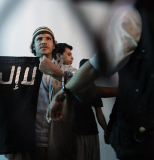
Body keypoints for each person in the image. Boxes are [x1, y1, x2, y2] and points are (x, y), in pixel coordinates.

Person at [47, 0, 154, 159]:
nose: (72, 57)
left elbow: (95, 82)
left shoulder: (131, 15)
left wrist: (107, 127)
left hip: (139, 133)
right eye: (68, 54)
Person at [6, 27, 75, 160]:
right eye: (39, 39)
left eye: (48, 39)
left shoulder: (65, 69)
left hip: (55, 136)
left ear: (54, 45)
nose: (44, 42)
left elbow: (81, 84)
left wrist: (57, 72)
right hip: (26, 137)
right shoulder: (20, 71)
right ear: (33, 45)